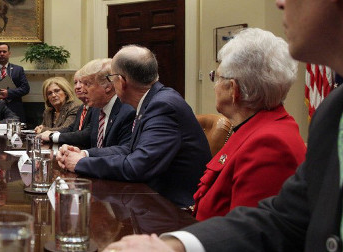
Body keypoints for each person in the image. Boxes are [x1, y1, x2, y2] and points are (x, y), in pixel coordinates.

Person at [105, 1, 343, 250]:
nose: (280, 3)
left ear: (234, 89)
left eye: (215, 77)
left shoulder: (269, 141)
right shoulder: (320, 113)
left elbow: (260, 235)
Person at [57, 47, 210, 208]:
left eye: (112, 78)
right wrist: (85, 154)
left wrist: (81, 164)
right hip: (152, 196)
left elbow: (137, 166)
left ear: (121, 82)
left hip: (174, 207)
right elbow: (131, 150)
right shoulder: (153, 100)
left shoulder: (162, 106)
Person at [192, 28, 306, 221]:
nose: (215, 85)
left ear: (233, 90)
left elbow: (245, 235)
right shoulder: (252, 127)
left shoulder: (268, 145)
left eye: (217, 77)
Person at [52, 59, 135, 150]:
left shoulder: (127, 111)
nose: (83, 90)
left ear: (108, 86)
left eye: (87, 84)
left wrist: (85, 155)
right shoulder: (97, 109)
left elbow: (123, 152)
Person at [39, 72, 94, 146]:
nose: (53, 95)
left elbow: (81, 133)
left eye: (57, 91)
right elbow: (70, 129)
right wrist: (46, 135)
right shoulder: (82, 108)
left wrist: (46, 132)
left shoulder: (76, 107)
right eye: (49, 93)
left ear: (66, 92)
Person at [0, 43, 30, 122]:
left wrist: (9, 93)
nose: (2, 54)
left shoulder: (18, 69)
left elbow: (26, 88)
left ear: (9, 53)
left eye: (4, 52)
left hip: (14, 107)